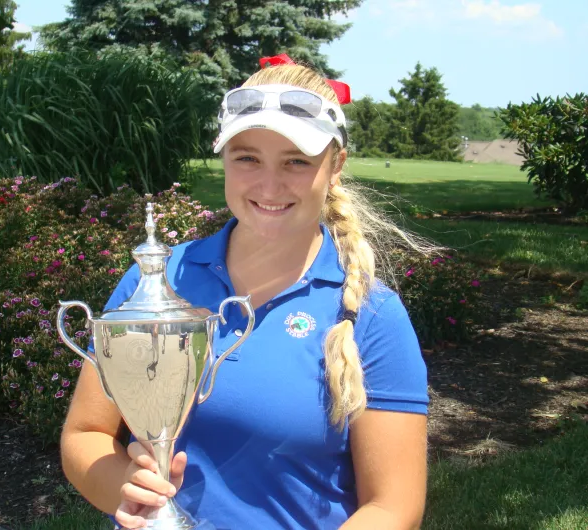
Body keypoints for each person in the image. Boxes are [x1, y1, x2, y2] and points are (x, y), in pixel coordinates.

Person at [60, 54, 430, 529]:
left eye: (296, 161)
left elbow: (393, 507)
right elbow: (86, 433)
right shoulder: (157, 279)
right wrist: (129, 494)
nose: (269, 184)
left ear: (335, 165)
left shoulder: (371, 314)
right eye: (247, 158)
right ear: (224, 161)